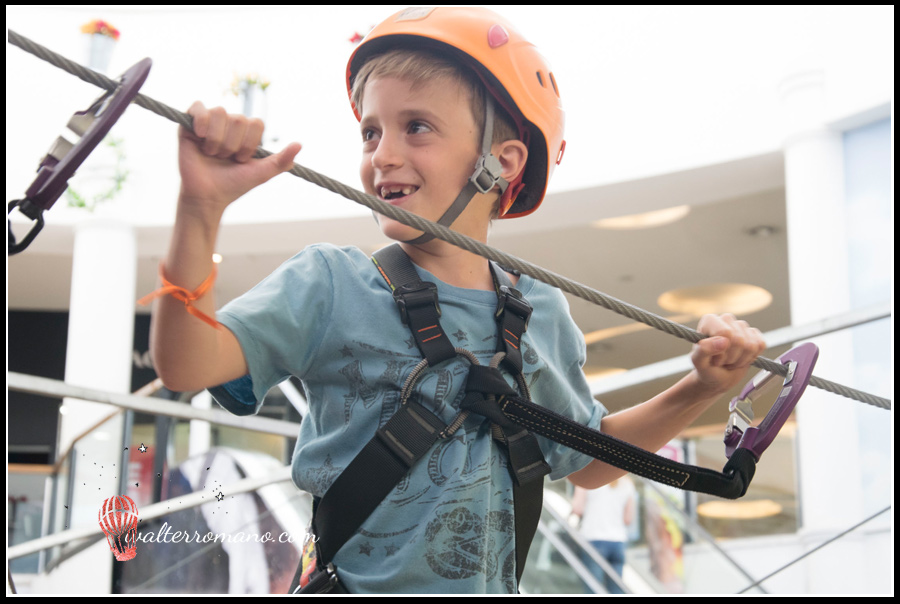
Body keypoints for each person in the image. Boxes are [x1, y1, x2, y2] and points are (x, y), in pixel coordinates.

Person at [146, 7, 765, 594]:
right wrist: (198, 211)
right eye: (370, 131)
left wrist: (700, 387)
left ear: (502, 161)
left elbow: (589, 461)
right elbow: (186, 364)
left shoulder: (538, 310)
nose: (382, 154)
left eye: (417, 127)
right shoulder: (330, 284)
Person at [572, 478, 637, 593]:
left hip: (594, 539)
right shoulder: (627, 483)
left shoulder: (588, 477)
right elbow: (628, 519)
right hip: (618, 543)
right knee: (616, 590)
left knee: (593, 589)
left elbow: (578, 509)